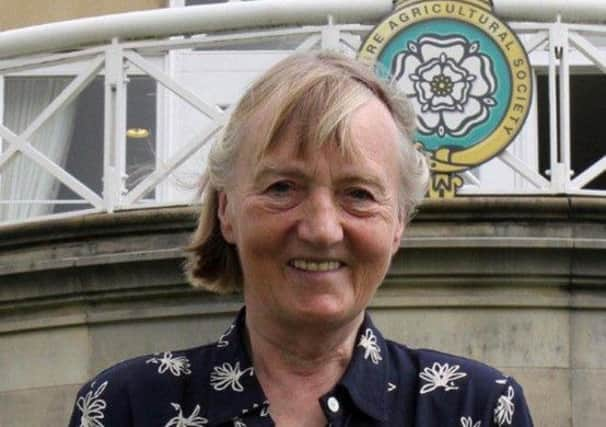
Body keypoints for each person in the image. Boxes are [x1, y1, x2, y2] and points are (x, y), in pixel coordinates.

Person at [68, 51, 533, 427]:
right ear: (227, 211)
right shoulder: (125, 408)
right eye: (282, 188)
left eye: (358, 194)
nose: (322, 230)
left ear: (397, 226)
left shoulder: (477, 409)